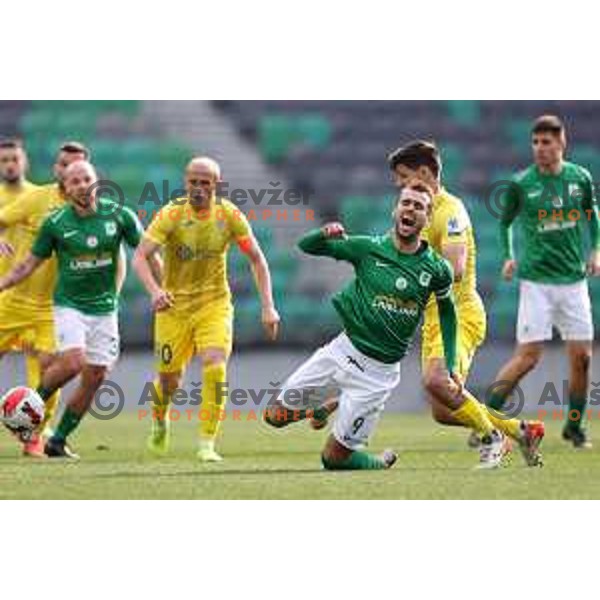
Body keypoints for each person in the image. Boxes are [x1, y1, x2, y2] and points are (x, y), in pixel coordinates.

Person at [265, 183, 508, 470]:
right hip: (341, 351)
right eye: (406, 203)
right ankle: (320, 409)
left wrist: (451, 363)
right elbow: (306, 246)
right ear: (396, 210)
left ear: (428, 219)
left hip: (377, 376)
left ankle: (379, 463)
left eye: (419, 206)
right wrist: (323, 233)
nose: (411, 209)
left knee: (332, 460)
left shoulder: (437, 269)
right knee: (274, 416)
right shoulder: (368, 248)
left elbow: (447, 313)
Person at [388, 140, 544, 466]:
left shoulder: (450, 211)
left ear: (424, 172)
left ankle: (494, 438)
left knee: (435, 380)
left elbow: (455, 270)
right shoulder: (414, 210)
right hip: (434, 318)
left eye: (403, 176)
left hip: (459, 314)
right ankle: (521, 430)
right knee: (443, 411)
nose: (399, 184)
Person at [133, 156, 280, 462]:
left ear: (217, 185)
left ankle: (207, 443)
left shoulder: (229, 215)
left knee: (215, 362)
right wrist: (156, 291)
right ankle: (160, 419)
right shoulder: (171, 214)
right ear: (185, 182)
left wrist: (268, 306)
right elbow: (140, 257)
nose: (198, 188)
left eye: (205, 183)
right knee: (169, 381)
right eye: (193, 182)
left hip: (214, 304)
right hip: (173, 308)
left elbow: (257, 258)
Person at [0, 160, 146, 459]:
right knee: (74, 361)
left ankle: (58, 440)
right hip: (70, 306)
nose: (81, 185)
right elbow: (29, 263)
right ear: (65, 189)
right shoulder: (55, 223)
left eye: (86, 179)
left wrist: (162, 285)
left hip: (105, 310)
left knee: (97, 375)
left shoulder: (119, 215)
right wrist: (3, 283)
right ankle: (26, 406)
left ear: (97, 180)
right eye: (74, 181)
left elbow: (146, 252)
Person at [491, 115, 600, 449]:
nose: (540, 148)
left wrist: (595, 251)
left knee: (582, 358)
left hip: (573, 282)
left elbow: (592, 216)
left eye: (546, 142)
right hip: (536, 283)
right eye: (535, 142)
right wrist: (509, 255)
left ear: (561, 142)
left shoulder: (579, 177)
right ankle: (486, 419)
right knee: (528, 358)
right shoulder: (521, 183)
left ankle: (574, 426)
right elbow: (505, 223)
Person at [0, 141, 89, 456]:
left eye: (76, 167)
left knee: (51, 370)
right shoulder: (35, 198)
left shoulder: (91, 211)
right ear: (56, 169)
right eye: (64, 165)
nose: (69, 171)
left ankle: (33, 436)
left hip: (52, 308)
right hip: (12, 300)